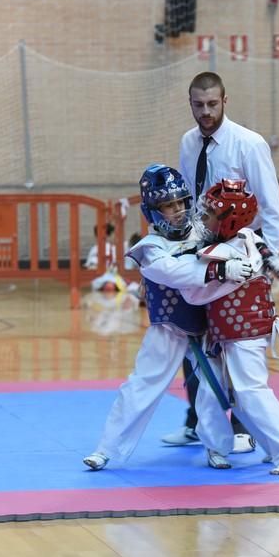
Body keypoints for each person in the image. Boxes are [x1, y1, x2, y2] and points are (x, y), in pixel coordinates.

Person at [82, 164, 253, 472]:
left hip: (208, 327)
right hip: (170, 328)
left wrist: (260, 255)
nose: (177, 210)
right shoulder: (149, 248)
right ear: (153, 211)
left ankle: (216, 448)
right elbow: (174, 272)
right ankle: (106, 449)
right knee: (142, 384)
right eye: (168, 205)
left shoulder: (205, 232)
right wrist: (218, 269)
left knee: (213, 388)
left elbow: (238, 242)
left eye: (180, 202)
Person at [161, 70, 279, 450]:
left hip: (242, 258)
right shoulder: (188, 142)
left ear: (225, 101)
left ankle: (244, 428)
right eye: (198, 105)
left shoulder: (248, 144)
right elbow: (190, 202)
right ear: (190, 104)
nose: (206, 112)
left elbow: (272, 206)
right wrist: (180, 246)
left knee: (234, 342)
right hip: (202, 253)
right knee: (192, 336)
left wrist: (267, 262)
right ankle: (197, 422)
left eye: (212, 104)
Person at [146, 179, 279, 474]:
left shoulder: (236, 250)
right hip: (222, 334)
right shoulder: (226, 245)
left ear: (229, 219)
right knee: (217, 393)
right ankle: (242, 449)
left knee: (251, 390)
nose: (201, 219)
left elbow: (201, 289)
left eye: (208, 214)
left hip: (245, 332)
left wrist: (256, 263)